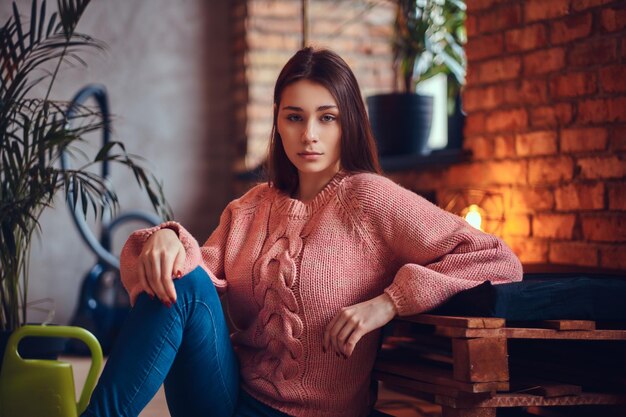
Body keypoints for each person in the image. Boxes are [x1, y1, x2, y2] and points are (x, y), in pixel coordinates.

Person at [81, 47, 523, 417]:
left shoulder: (369, 198)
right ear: (277, 121)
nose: (309, 135)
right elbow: (196, 277)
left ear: (348, 121)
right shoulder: (250, 207)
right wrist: (166, 238)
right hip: (231, 400)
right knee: (180, 280)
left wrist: (388, 303)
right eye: (295, 117)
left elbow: (495, 257)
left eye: (326, 118)